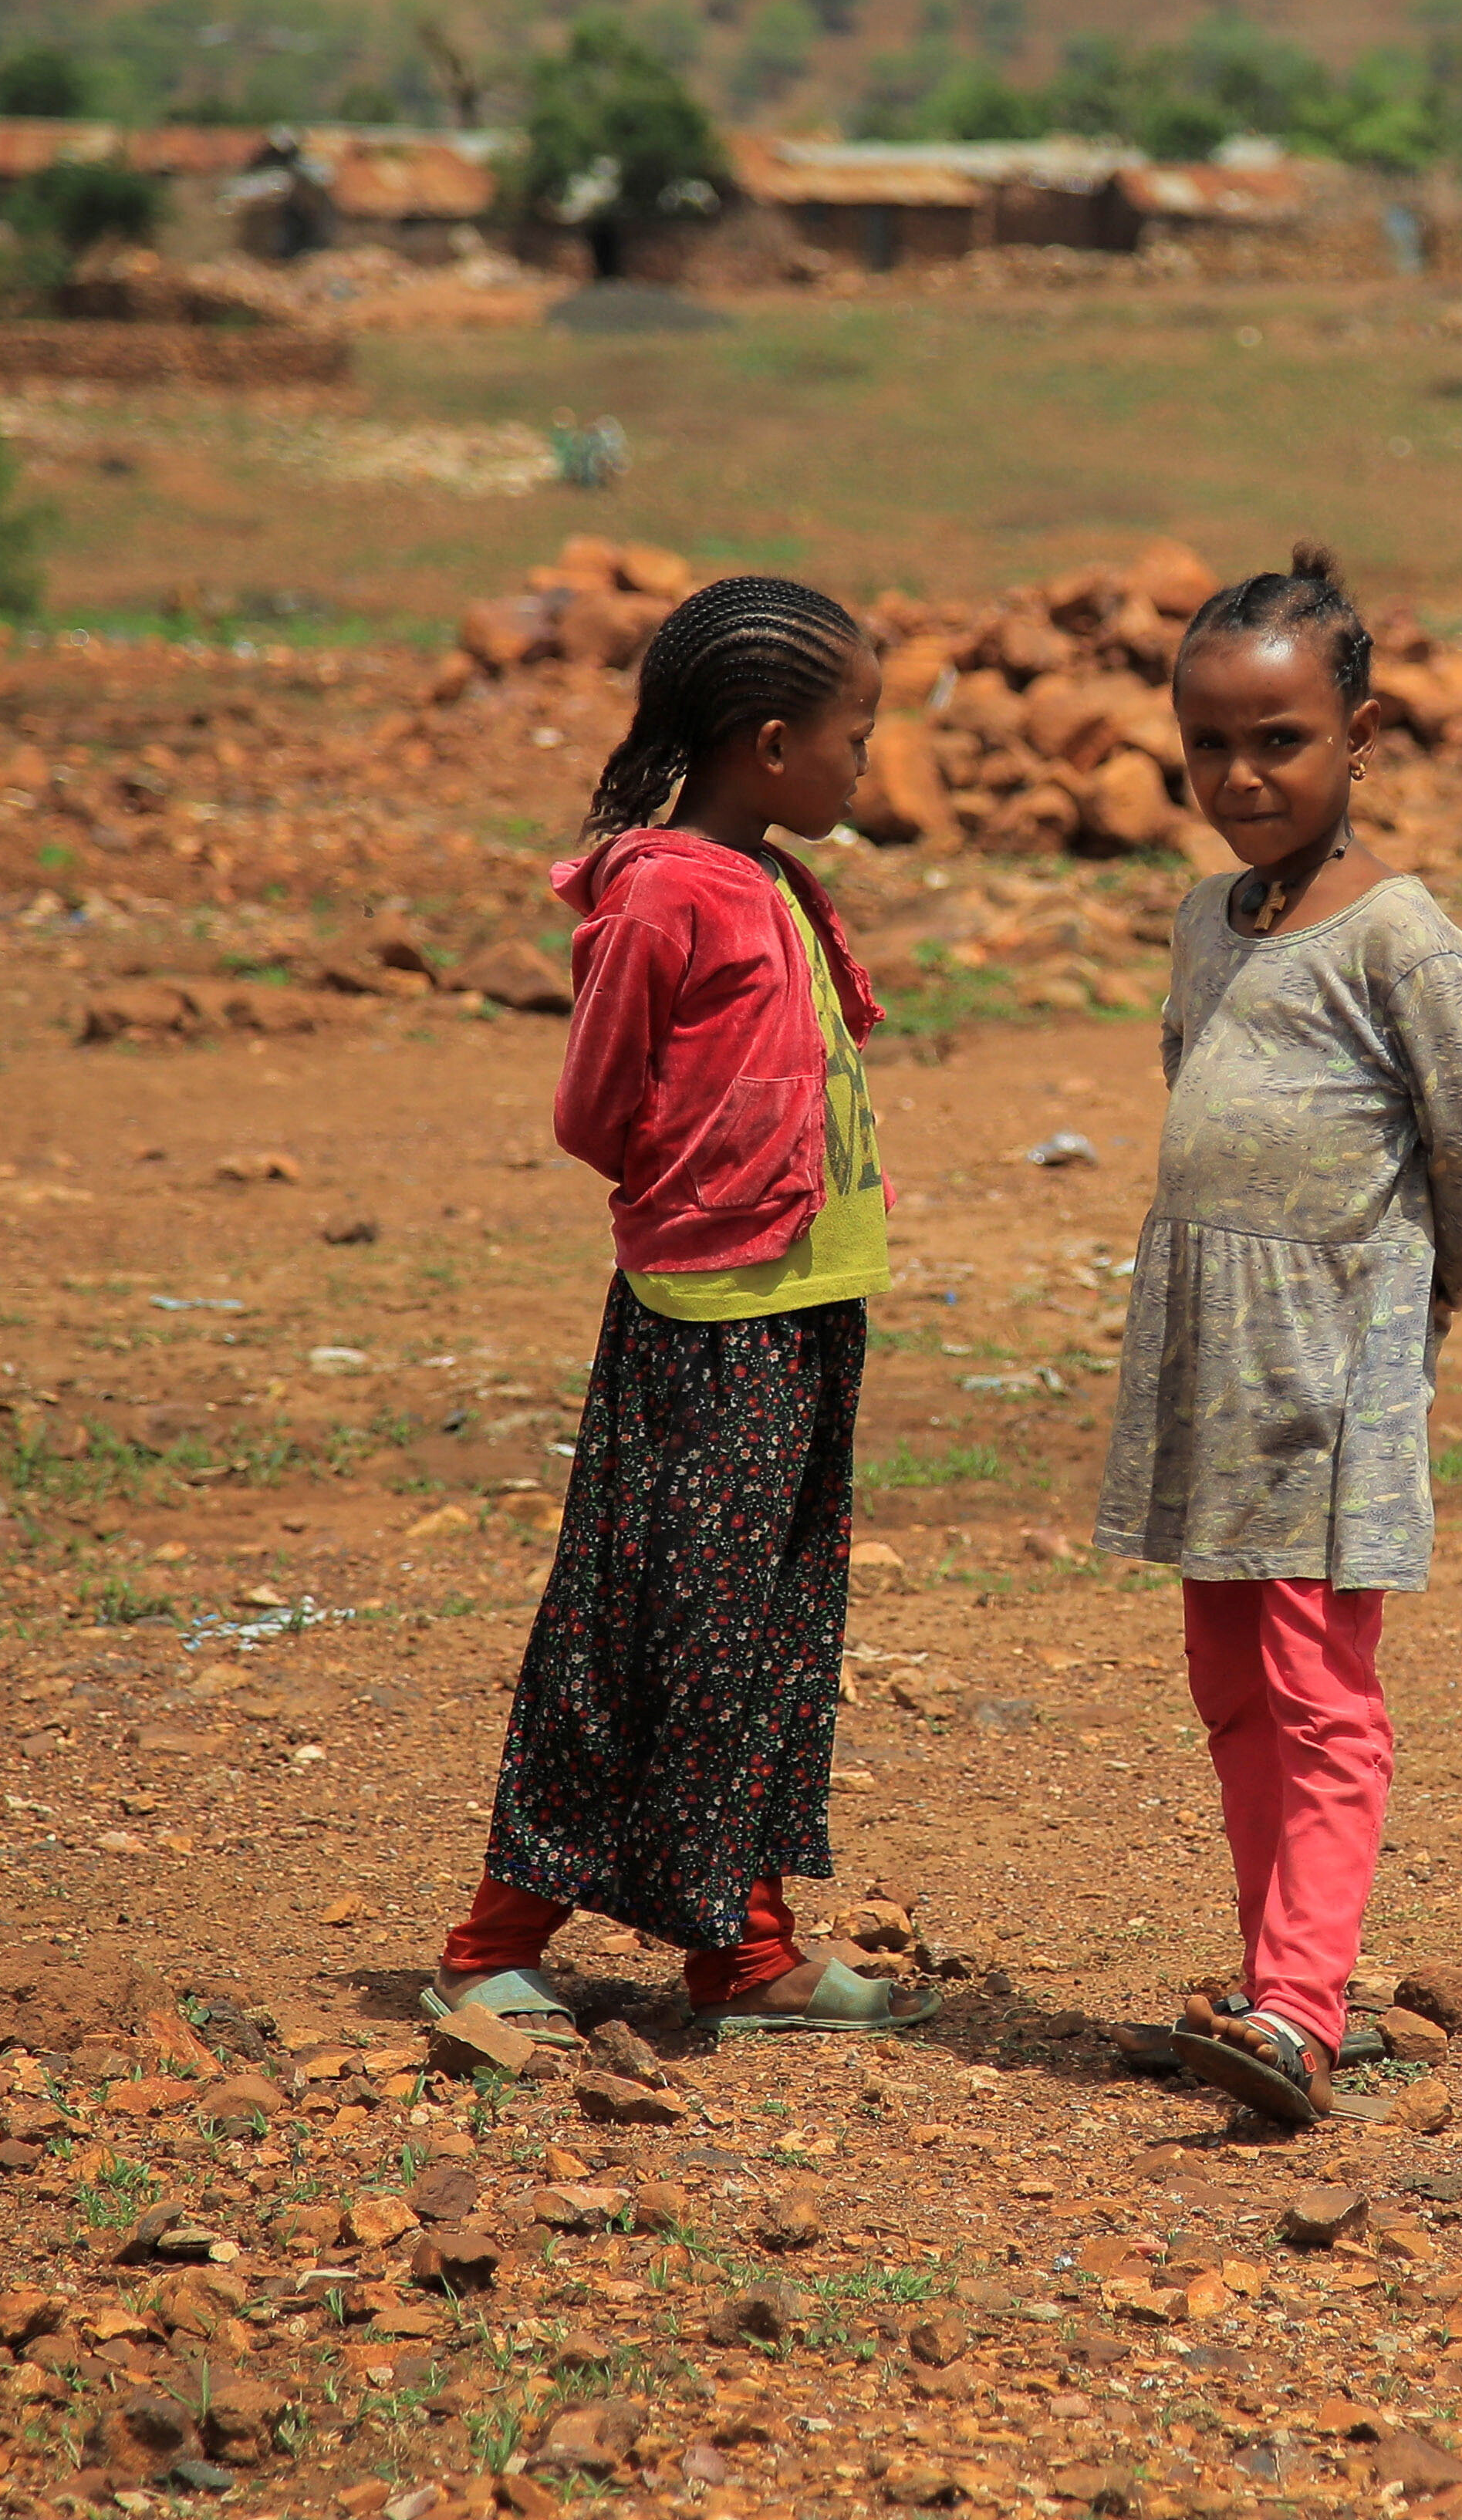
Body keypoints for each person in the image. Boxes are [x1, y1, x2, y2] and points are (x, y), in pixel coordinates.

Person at [425, 575, 934, 2047]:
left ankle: (747, 1954)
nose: (866, 760)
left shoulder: (773, 877)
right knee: (647, 1626)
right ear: (772, 744)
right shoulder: (662, 890)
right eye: (858, 733)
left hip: (812, 1303)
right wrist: (702, 1185)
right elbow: (596, 1107)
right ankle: (489, 1944)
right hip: (709, 1316)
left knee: (766, 1630)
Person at [1096, 548, 1462, 2128]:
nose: (1239, 774)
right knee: (1229, 1680)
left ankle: (1300, 2005)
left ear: (1363, 735)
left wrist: (1403, 1312)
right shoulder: (1208, 921)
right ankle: (1275, 1972)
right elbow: (1184, 1082)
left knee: (1317, 1688)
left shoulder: (1403, 938)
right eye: (1209, 744)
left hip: (1330, 1373)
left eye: (1277, 740)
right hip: (1215, 1370)